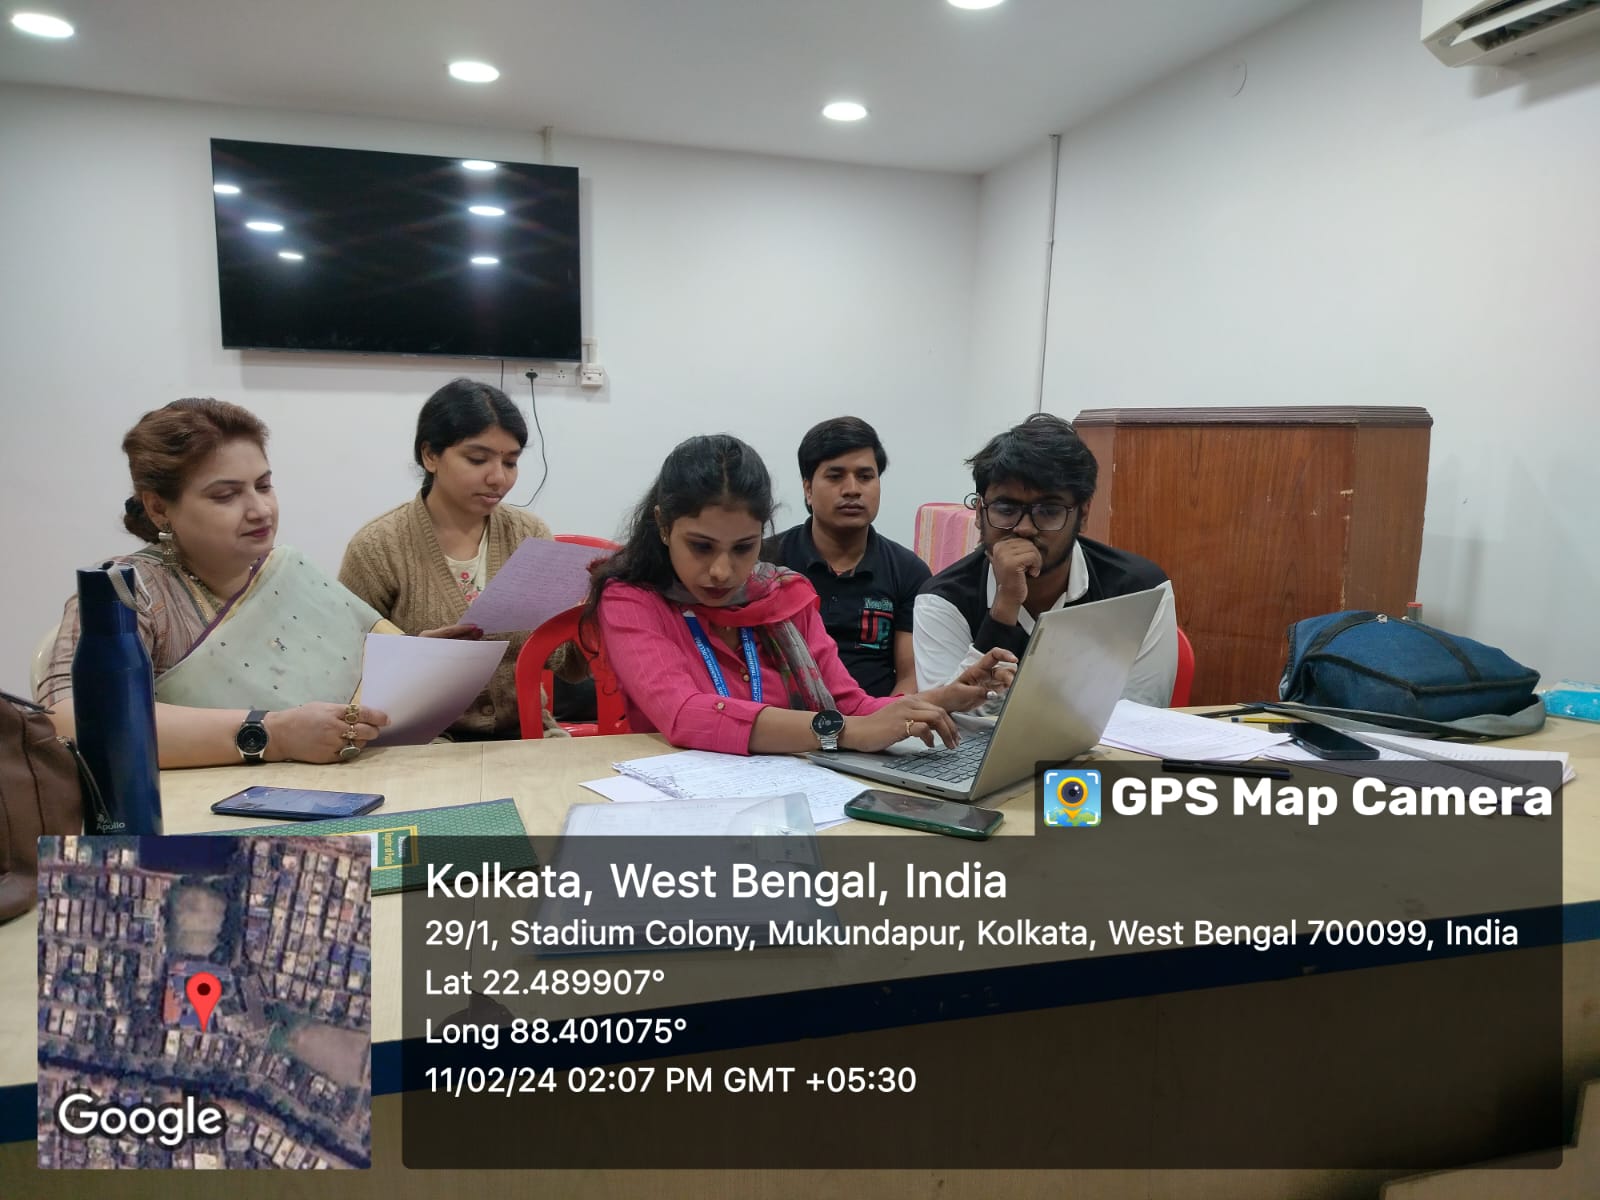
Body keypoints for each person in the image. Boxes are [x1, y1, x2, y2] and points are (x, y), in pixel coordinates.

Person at [585, 433, 1015, 756]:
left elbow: (852, 704)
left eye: (743, 547)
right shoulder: (631, 599)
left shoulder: (785, 596)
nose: (721, 571)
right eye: (701, 546)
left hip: (794, 796)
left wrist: (942, 698)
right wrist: (840, 732)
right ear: (663, 526)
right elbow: (685, 714)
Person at [37, 398, 402, 768]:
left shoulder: (290, 575)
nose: (260, 510)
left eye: (264, 486)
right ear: (159, 508)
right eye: (226, 495)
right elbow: (68, 717)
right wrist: (273, 735)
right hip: (200, 802)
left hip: (347, 784)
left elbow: (370, 675)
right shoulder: (127, 593)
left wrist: (421, 663)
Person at [339, 379, 581, 739]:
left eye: (511, 462)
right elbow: (343, 669)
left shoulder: (528, 534)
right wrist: (415, 655)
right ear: (430, 456)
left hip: (527, 733)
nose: (498, 478)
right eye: (477, 459)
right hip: (420, 740)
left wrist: (589, 616)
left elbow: (565, 661)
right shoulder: (378, 547)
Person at [914, 413, 1177, 707]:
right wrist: (1005, 606)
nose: (1024, 528)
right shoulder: (941, 600)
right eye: (1006, 509)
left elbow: (1143, 711)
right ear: (979, 513)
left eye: (1049, 511)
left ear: (1083, 514)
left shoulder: (1142, 590)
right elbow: (945, 720)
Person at [763, 417, 930, 697]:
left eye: (865, 477)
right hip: (785, 719)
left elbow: (911, 678)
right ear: (808, 489)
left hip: (878, 718)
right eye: (835, 476)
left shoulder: (909, 571)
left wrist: (884, 719)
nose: (852, 489)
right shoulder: (765, 561)